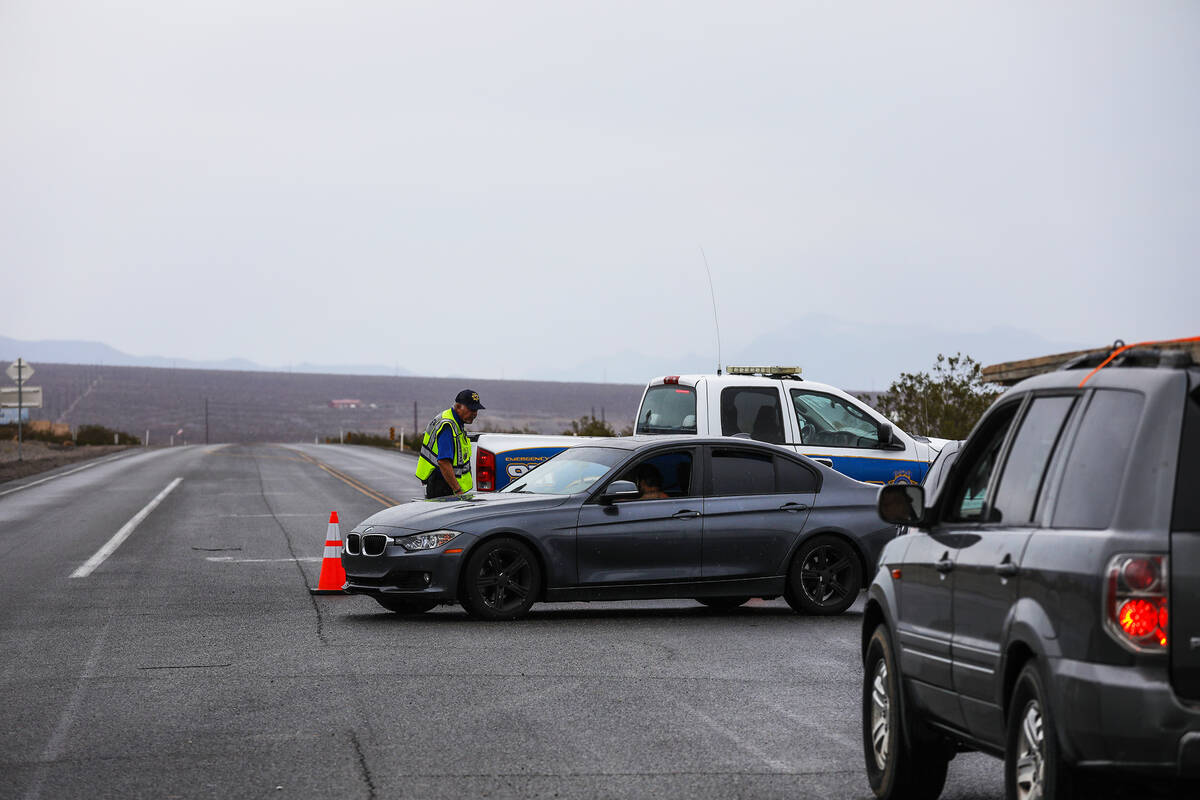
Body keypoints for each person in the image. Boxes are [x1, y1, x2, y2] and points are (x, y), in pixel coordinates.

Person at [415, 390, 484, 499]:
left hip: (443, 484)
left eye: (476, 410)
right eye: (471, 409)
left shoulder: (454, 421)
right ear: (458, 407)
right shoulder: (447, 426)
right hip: (443, 486)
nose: (474, 413)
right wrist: (458, 490)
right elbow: (443, 462)